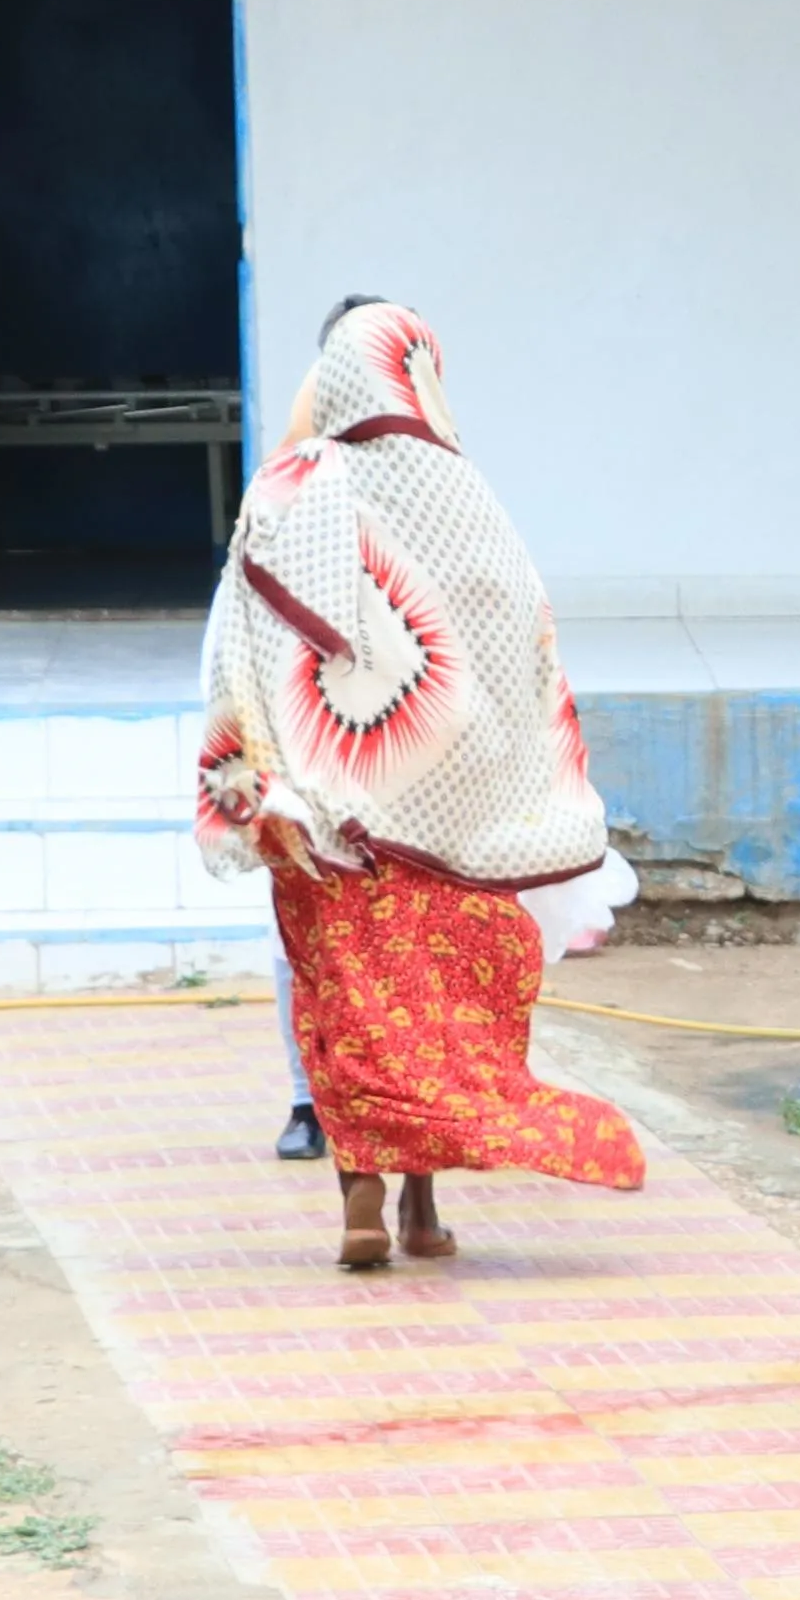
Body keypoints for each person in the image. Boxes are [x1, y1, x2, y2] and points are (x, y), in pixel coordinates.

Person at [193, 298, 647, 1272]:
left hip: (327, 818)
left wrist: (257, 783)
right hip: (447, 826)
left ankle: (358, 1196)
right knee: (431, 1004)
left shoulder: (288, 491)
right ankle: (421, 1209)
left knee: (351, 1006)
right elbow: (522, 651)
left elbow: (238, 639)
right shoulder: (465, 498)